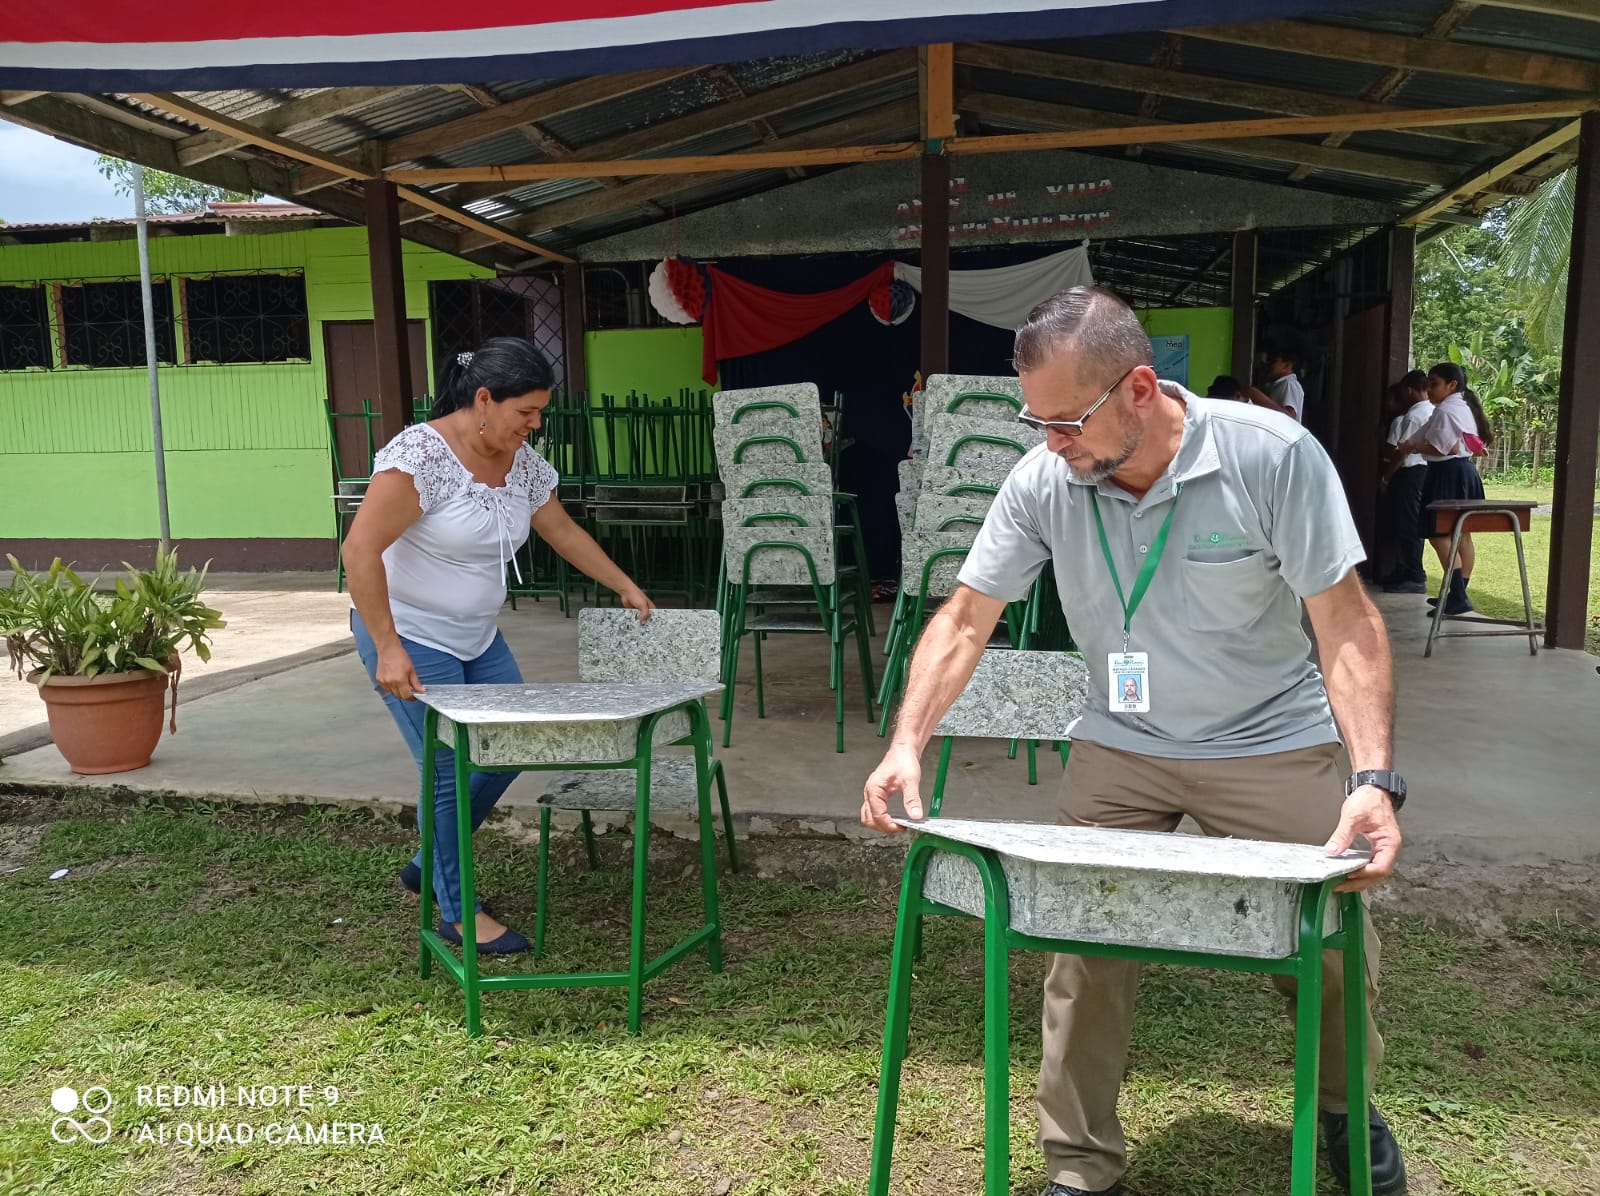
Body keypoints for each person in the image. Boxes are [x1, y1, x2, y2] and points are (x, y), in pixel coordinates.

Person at [862, 287, 1406, 1196]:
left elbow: (1346, 622)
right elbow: (964, 617)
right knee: (1082, 938)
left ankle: (1346, 1107)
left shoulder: (1272, 456)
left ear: (1141, 390)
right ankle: (1079, 1165)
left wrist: (1374, 778)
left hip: (1269, 739)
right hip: (1122, 745)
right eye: (1036, 423)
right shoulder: (1045, 479)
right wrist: (906, 743)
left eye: (1066, 423)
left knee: (1333, 941)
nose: (1051, 445)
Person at [343, 337, 656, 955]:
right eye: (526, 412)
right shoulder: (421, 457)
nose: (535, 424)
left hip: (478, 636)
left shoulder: (523, 463)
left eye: (540, 412)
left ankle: (427, 862)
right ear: (484, 399)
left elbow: (560, 528)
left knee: (511, 745)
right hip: (411, 635)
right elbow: (359, 550)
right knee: (448, 771)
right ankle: (458, 912)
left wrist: (622, 583)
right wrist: (387, 645)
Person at [1392, 361, 1490, 617]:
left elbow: (1446, 448)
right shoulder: (1460, 406)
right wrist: (1411, 443)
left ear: (1452, 385)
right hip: (1464, 472)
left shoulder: (1446, 410)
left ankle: (1457, 595)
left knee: (1439, 535)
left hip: (1447, 473)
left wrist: (1412, 447)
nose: (1429, 389)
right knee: (1463, 535)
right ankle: (1457, 593)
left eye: (1434, 384)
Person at [1375, 372, 1432, 594]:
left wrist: (1386, 476)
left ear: (1409, 390)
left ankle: (1415, 574)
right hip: (1423, 471)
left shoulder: (1414, 416)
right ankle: (1404, 569)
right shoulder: (1431, 411)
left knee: (1408, 523)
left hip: (1411, 472)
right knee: (1404, 521)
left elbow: (1402, 452)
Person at [1260, 349, 1306, 421]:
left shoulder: (1289, 384)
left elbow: (1289, 416)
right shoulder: (1279, 384)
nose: (1269, 365)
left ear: (1287, 366)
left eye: (1274, 362)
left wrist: (1258, 397)